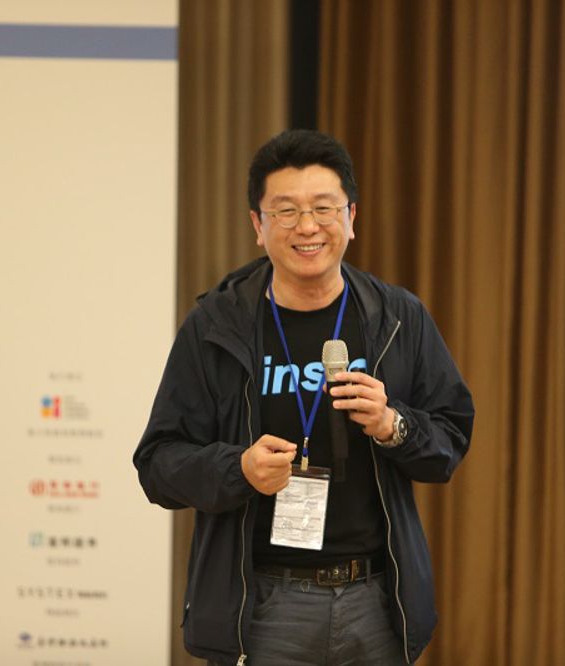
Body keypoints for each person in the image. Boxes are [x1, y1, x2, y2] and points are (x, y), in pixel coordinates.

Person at [134, 129, 474, 665]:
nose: (308, 226)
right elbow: (157, 464)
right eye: (286, 211)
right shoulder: (216, 326)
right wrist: (238, 469)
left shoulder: (397, 318)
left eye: (323, 208)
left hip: (375, 602)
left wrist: (393, 425)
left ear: (351, 217)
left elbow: (450, 440)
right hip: (263, 605)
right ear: (258, 225)